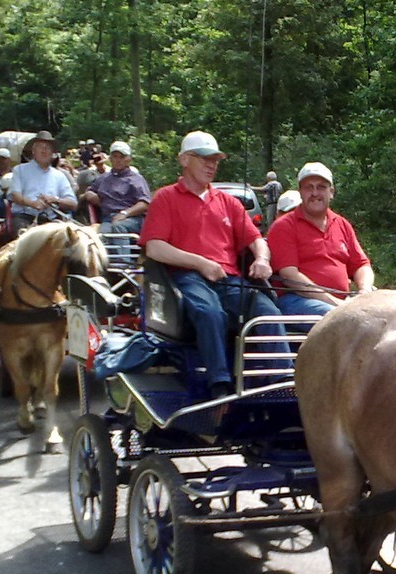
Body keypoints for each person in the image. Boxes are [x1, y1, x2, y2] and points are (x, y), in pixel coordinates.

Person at [139, 130, 284, 400]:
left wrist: (263, 259)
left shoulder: (228, 202)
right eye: (204, 158)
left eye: (215, 159)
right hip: (185, 279)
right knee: (209, 312)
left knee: (267, 310)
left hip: (228, 279)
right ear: (184, 160)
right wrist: (200, 263)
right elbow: (154, 247)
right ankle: (220, 384)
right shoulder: (166, 198)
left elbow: (257, 241)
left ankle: (282, 379)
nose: (211, 164)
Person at [265, 161, 375, 317]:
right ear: (300, 192)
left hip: (343, 301)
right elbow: (289, 277)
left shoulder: (342, 224)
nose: (315, 193)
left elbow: (361, 265)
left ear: (331, 192)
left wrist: (364, 291)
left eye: (321, 187)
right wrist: (337, 305)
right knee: (346, 320)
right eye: (308, 187)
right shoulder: (284, 226)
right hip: (297, 300)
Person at [7, 130, 78, 235]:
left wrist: (56, 200)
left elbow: (73, 203)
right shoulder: (20, 170)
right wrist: (33, 204)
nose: (44, 150)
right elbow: (15, 196)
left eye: (48, 148)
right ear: (33, 151)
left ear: (52, 153)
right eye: (40, 147)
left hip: (51, 220)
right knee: (22, 237)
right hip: (25, 217)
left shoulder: (60, 176)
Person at [85, 141, 153, 235]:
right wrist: (91, 195)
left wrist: (125, 213)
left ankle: (123, 250)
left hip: (132, 218)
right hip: (108, 219)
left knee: (118, 226)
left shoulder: (136, 179)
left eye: (122, 157)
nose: (118, 160)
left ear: (128, 159)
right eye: (115, 156)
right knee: (100, 234)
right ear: (110, 158)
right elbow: (89, 191)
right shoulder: (103, 178)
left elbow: (144, 203)